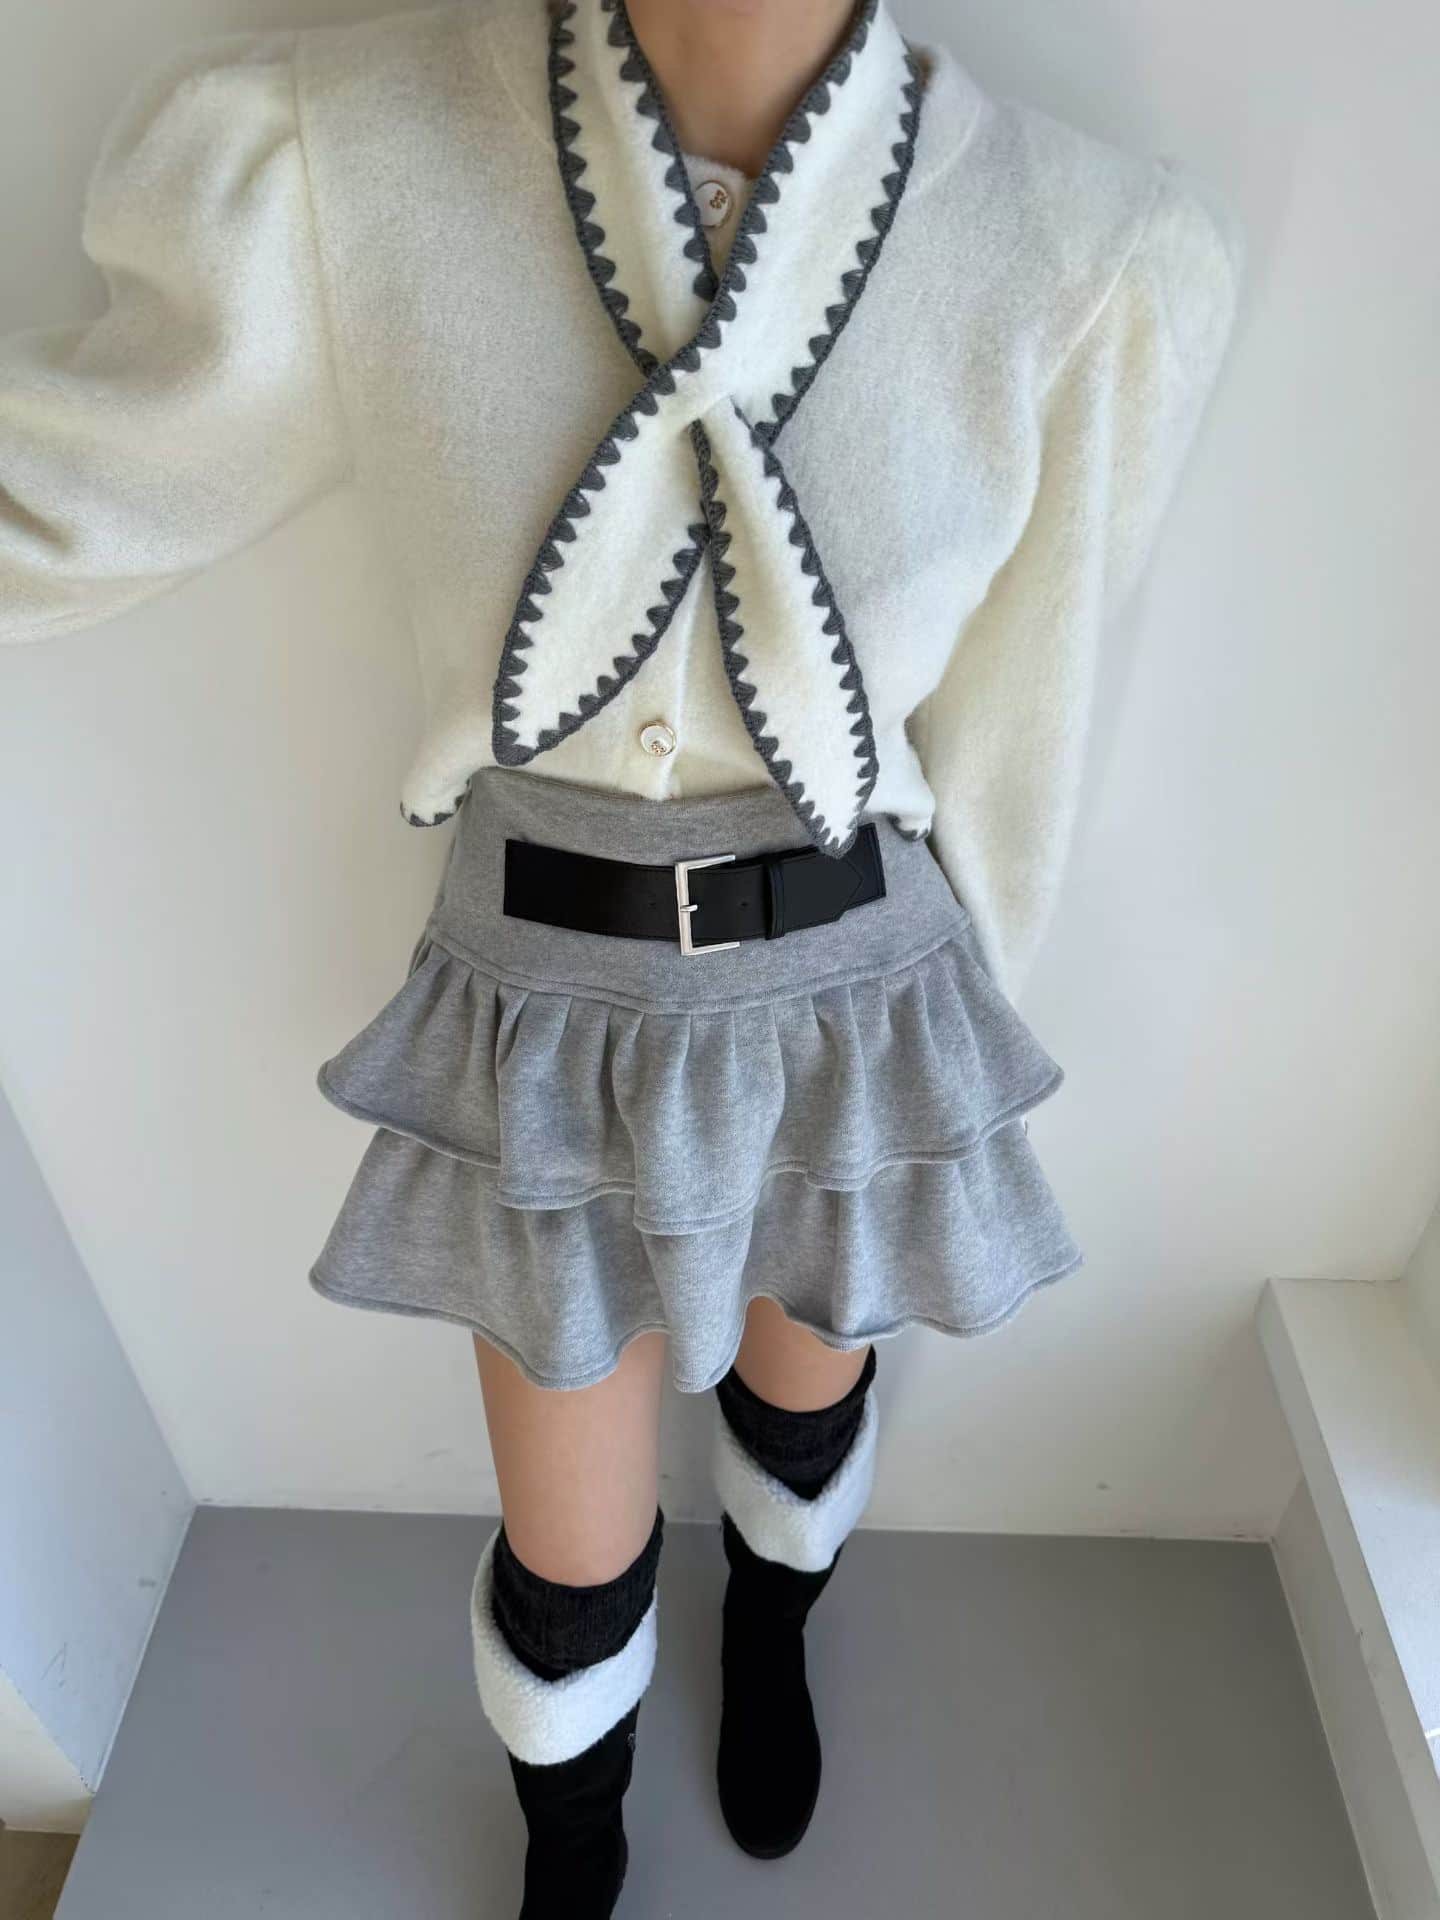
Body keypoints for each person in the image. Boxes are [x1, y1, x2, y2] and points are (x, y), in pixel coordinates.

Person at [0, 0, 1240, 1911]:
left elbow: (1022, 728)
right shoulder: (354, 153)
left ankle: (775, 1626)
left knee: (801, 1416)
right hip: (542, 1011)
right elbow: (77, 488)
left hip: (851, 995)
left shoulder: (1078, 250)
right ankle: (570, 1846)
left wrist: (954, 1069)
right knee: (566, 1553)